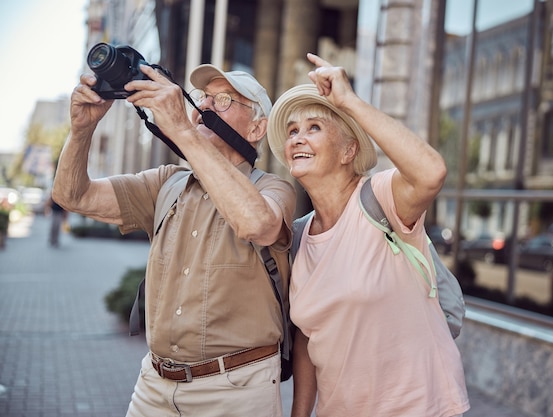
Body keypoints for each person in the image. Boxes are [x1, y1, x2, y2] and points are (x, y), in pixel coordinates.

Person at [52, 61, 296, 416]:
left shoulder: (274, 189)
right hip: (154, 384)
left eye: (224, 100)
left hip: (235, 391)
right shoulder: (167, 183)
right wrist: (80, 130)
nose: (205, 106)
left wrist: (182, 129)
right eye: (202, 98)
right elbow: (72, 196)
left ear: (257, 127)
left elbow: (256, 224)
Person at [267, 53, 470, 417]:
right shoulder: (298, 236)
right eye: (293, 131)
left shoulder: (380, 198)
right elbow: (308, 339)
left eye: (314, 127)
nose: (298, 138)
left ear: (349, 150)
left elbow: (431, 172)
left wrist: (349, 102)